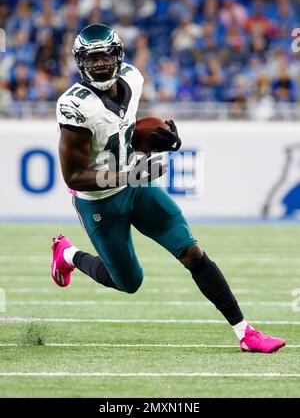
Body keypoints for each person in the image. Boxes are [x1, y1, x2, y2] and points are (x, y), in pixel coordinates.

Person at [52, 23, 285, 353]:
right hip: (99, 201)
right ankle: (69, 255)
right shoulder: (75, 105)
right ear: (80, 63)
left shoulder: (133, 79)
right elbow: (73, 176)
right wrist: (129, 174)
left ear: (118, 57)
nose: (100, 64)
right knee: (129, 282)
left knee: (191, 251)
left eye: (105, 57)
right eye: (92, 60)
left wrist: (156, 139)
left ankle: (245, 332)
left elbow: (121, 132)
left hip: (135, 186)